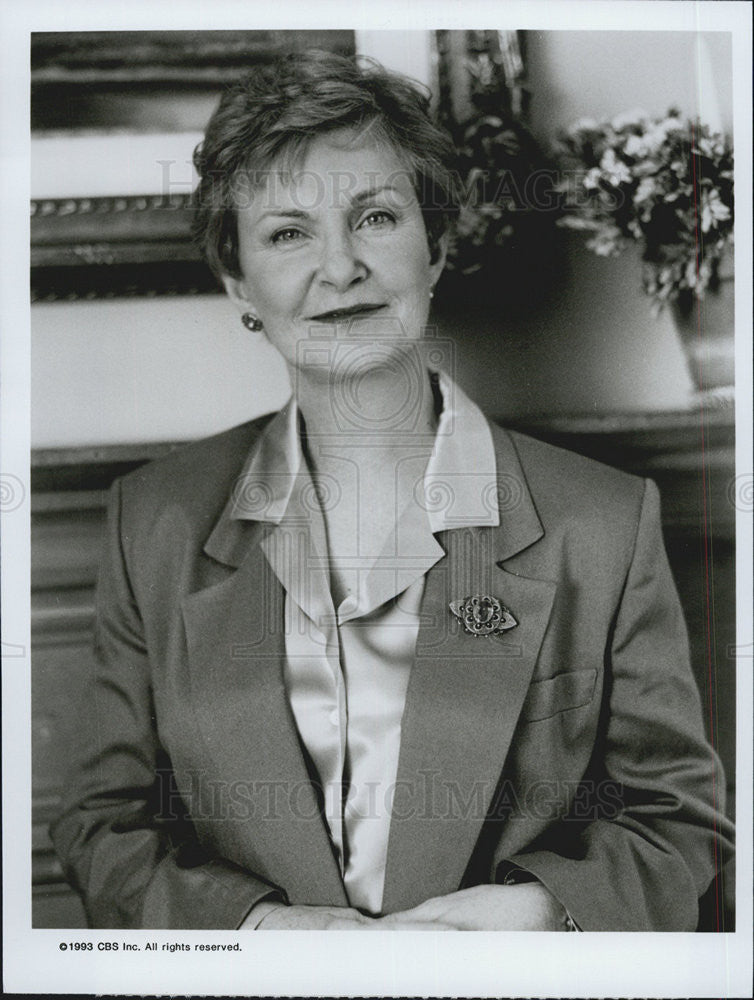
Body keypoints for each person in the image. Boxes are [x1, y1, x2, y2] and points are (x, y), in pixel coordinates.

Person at [51, 50, 733, 931]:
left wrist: (546, 915)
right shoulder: (152, 522)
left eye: (375, 216)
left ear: (437, 246)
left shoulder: (604, 520)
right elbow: (102, 825)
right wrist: (252, 929)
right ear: (239, 285)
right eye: (288, 232)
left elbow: (677, 823)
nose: (339, 268)